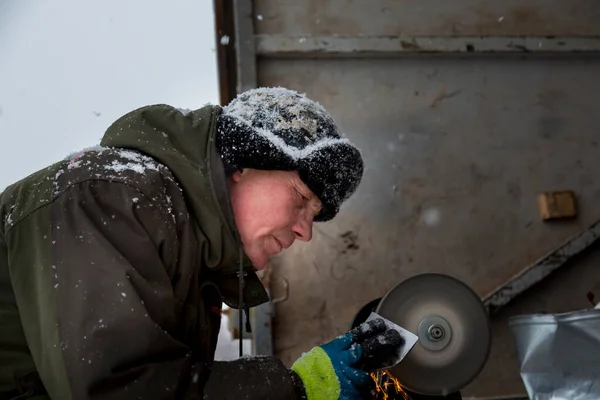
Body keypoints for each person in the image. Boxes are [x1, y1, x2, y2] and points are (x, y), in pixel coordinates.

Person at [0, 87, 406, 399]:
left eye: (314, 216)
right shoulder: (113, 196)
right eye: (300, 198)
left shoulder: (193, 259)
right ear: (241, 165)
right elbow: (120, 390)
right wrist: (298, 388)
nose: (306, 232)